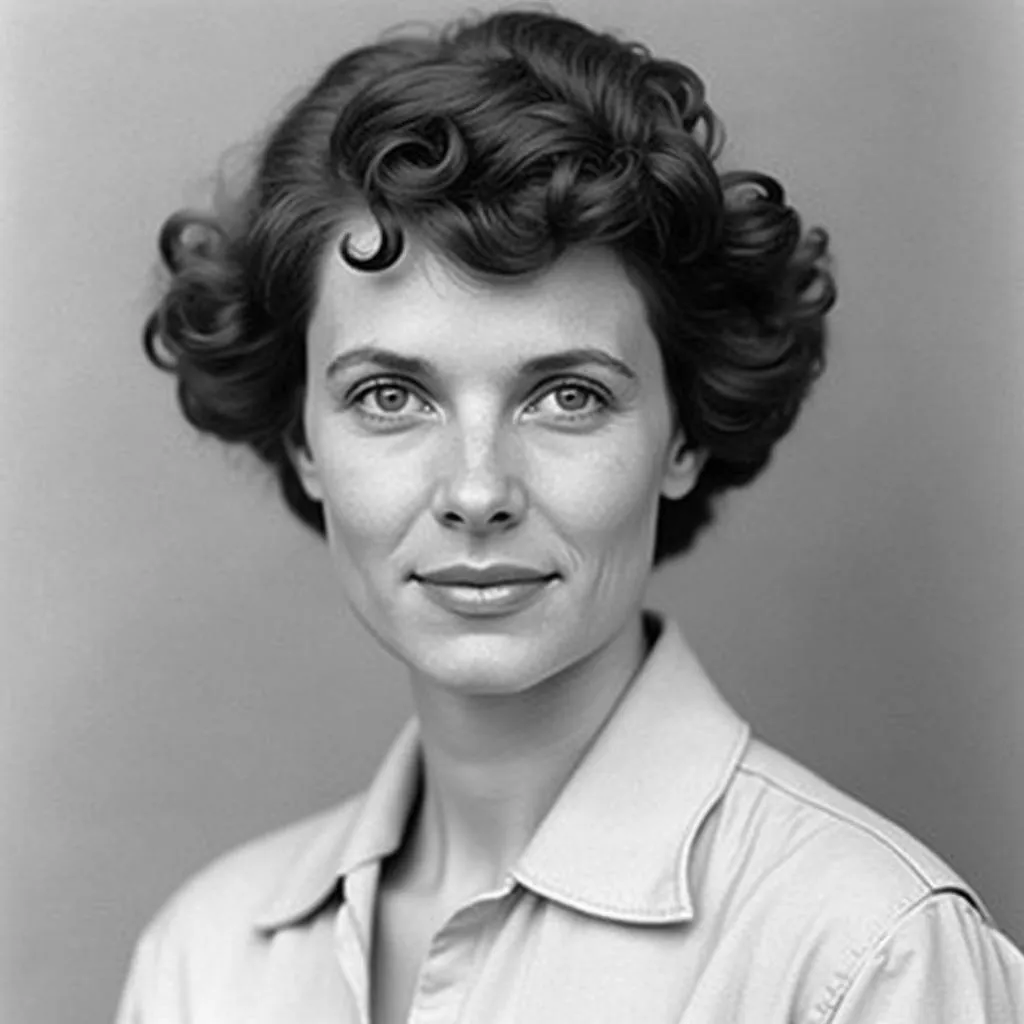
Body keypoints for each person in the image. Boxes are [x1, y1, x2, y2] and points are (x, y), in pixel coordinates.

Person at [117, 9, 1023, 1022]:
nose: (475, 490)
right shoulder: (205, 958)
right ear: (300, 439)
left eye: (567, 396)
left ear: (681, 435)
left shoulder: (865, 953)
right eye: (388, 396)